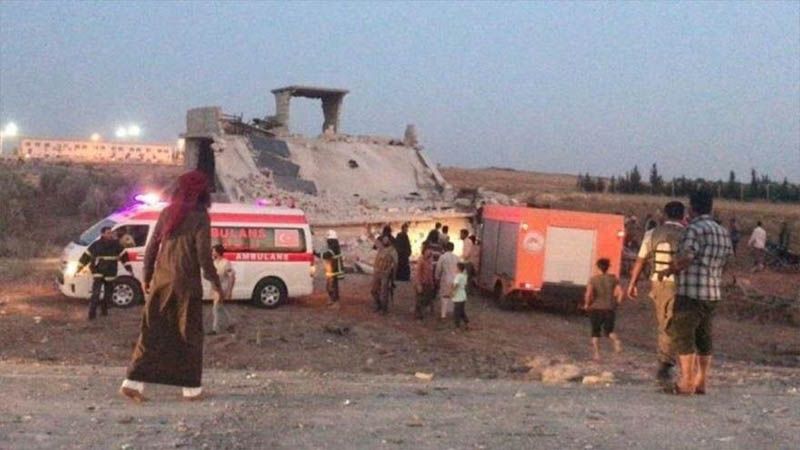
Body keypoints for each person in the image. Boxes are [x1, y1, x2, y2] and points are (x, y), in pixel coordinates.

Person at [120, 170, 223, 403]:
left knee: (152, 332)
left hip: (161, 281)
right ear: (201, 192)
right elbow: (204, 256)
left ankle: (132, 383)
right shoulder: (200, 216)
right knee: (190, 334)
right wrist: (215, 283)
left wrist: (147, 277)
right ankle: (191, 390)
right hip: (187, 284)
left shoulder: (167, 213)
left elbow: (151, 249)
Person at [660, 189, 733, 395]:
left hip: (690, 292)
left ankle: (686, 382)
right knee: (704, 338)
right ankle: (702, 381)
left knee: (683, 336)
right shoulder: (722, 231)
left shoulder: (694, 229)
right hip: (712, 293)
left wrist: (670, 269)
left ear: (692, 208)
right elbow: (728, 261)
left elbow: (687, 257)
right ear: (711, 207)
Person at [627, 201, 685, 387]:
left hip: (660, 284)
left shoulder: (652, 234)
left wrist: (632, 284)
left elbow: (640, 261)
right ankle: (681, 360)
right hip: (684, 283)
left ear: (665, 215)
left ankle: (665, 363)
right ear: (683, 216)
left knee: (665, 322)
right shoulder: (688, 234)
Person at [76, 226, 133, 320]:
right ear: (102, 234)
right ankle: (92, 314)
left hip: (110, 272)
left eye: (111, 233)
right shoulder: (96, 245)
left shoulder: (116, 245)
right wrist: (79, 268)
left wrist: (129, 269)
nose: (110, 235)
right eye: (108, 233)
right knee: (96, 293)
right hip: (98, 272)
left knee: (108, 294)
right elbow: (86, 256)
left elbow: (124, 257)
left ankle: (104, 311)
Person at [583, 258, 624, 361]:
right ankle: (616, 341)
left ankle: (597, 354)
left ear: (598, 267)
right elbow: (620, 293)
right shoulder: (614, 279)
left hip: (596, 308)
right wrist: (617, 303)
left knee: (595, 332)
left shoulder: (593, 279)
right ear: (608, 267)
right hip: (609, 308)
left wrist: (587, 304)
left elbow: (588, 294)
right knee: (609, 331)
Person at [208, 244, 236, 334]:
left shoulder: (226, 263)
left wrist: (229, 291)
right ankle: (231, 322)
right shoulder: (214, 262)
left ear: (218, 252)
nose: (212, 252)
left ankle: (215, 329)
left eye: (213, 251)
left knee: (215, 308)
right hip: (215, 287)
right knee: (220, 307)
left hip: (222, 287)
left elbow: (232, 277)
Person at [317, 230, 344, 307]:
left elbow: (327, 255)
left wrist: (316, 254)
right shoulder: (333, 245)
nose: (327, 241)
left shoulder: (333, 246)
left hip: (334, 269)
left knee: (333, 286)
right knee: (330, 285)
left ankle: (336, 302)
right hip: (332, 269)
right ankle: (332, 299)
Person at [371, 235, 397, 314]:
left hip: (385, 273)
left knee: (384, 292)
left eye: (386, 240)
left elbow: (395, 264)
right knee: (374, 290)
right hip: (377, 272)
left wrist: (393, 277)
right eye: (384, 240)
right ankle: (378, 305)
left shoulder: (393, 251)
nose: (384, 241)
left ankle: (384, 309)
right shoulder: (381, 247)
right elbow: (373, 239)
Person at [435, 241, 459, 320]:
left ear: (445, 248)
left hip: (446, 279)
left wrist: (437, 277)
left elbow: (438, 268)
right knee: (453, 296)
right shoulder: (457, 257)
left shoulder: (443, 257)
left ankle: (443, 315)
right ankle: (452, 313)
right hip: (455, 279)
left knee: (444, 297)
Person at [413, 248, 436, 320]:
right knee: (420, 299)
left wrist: (432, 283)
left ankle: (421, 312)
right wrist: (418, 284)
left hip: (427, 283)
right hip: (421, 282)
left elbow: (430, 274)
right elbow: (418, 273)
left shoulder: (430, 261)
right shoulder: (421, 261)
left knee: (426, 298)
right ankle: (418, 314)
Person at [451, 262, 470, 329]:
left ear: (458, 268)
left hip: (458, 295)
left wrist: (452, 292)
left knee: (457, 312)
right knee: (461, 311)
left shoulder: (458, 276)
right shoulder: (464, 275)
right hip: (463, 295)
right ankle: (466, 323)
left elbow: (456, 285)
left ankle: (457, 326)